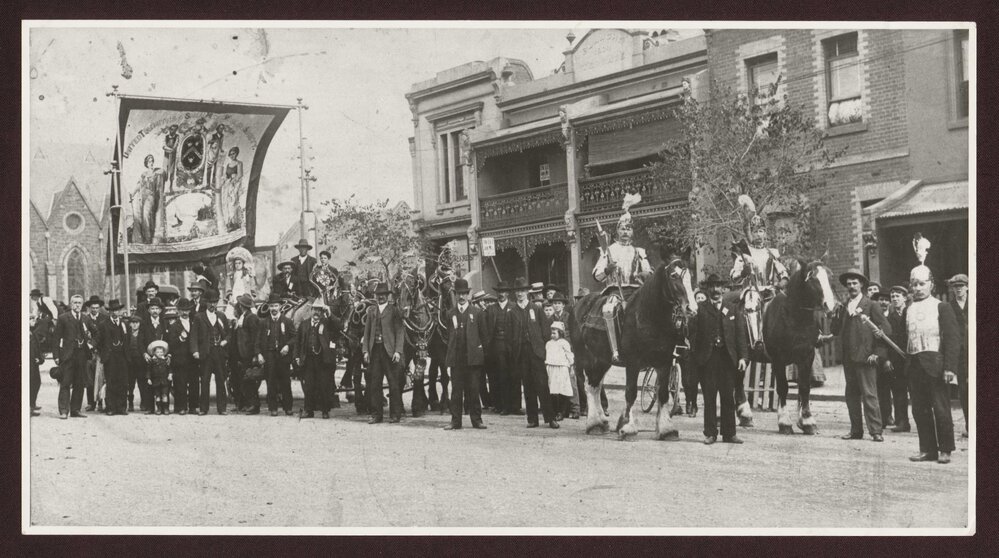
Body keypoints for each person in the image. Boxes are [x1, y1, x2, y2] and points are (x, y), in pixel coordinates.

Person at [907, 264, 960, 464]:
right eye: (915, 284)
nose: (918, 288)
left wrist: (950, 368)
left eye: (922, 284)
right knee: (919, 409)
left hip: (936, 365)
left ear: (931, 285)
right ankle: (927, 449)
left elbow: (953, 339)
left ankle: (945, 449)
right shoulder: (909, 308)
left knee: (940, 408)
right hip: (914, 365)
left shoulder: (941, 306)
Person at [831, 268, 891, 442]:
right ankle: (856, 430)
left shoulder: (871, 305)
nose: (851, 287)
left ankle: (875, 431)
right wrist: (835, 314)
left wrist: (877, 353)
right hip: (849, 359)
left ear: (862, 284)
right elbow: (836, 330)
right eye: (848, 284)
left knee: (870, 395)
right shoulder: (843, 306)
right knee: (851, 396)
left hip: (866, 358)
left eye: (854, 283)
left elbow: (885, 330)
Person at [690, 274, 749, 445]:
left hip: (727, 359)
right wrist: (697, 356)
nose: (715, 290)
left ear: (723, 289)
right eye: (712, 286)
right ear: (707, 289)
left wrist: (743, 357)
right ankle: (710, 433)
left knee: (728, 397)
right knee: (709, 397)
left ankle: (730, 433)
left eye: (718, 287)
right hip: (708, 359)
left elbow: (740, 336)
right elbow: (693, 335)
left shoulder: (732, 309)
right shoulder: (700, 309)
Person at [593, 194, 652, 365]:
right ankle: (615, 350)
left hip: (636, 291)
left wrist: (644, 274)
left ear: (633, 232)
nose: (625, 232)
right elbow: (597, 274)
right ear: (617, 231)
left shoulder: (639, 251)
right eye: (622, 229)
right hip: (615, 291)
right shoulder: (609, 250)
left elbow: (648, 271)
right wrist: (607, 269)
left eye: (629, 229)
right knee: (609, 309)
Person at [508, 277, 558, 429]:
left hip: (536, 352)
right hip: (521, 353)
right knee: (528, 386)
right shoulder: (512, 312)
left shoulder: (536, 309)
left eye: (523, 291)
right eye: (518, 291)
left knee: (542, 385)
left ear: (528, 292)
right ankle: (532, 419)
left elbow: (544, 331)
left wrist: (542, 350)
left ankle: (550, 418)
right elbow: (510, 336)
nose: (520, 294)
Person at [442, 279, 488, 430]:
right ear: (455, 295)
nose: (461, 297)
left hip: (473, 359)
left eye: (463, 294)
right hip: (457, 359)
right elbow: (449, 335)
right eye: (458, 294)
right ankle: (456, 421)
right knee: (456, 392)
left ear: (468, 295)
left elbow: (484, 335)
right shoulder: (450, 314)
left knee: (474, 390)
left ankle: (477, 420)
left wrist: (480, 353)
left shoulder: (477, 313)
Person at [362, 282, 406, 424]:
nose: (380, 298)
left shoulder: (394, 311)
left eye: (383, 295)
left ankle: (395, 414)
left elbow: (400, 331)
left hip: (389, 352)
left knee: (393, 384)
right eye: (378, 295)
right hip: (375, 351)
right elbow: (367, 332)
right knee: (375, 384)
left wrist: (398, 351)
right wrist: (365, 351)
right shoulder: (371, 311)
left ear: (387, 296)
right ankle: (376, 414)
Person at [296, 301, 341, 419]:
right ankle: (308, 410)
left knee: (323, 385)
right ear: (311, 310)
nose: (317, 312)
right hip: (308, 359)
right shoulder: (304, 324)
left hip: (322, 360)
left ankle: (325, 411)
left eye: (319, 310)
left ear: (322, 312)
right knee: (309, 386)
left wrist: (329, 313)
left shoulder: (327, 323)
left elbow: (339, 326)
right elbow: (298, 342)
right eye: (315, 309)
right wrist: (297, 356)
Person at [191, 295, 231, 415]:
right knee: (204, 380)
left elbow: (229, 333)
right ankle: (204, 408)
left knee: (220, 379)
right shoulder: (199, 317)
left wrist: (225, 341)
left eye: (215, 302)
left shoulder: (221, 316)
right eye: (210, 302)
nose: (213, 305)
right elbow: (193, 335)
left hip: (219, 352)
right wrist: (195, 351)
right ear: (206, 303)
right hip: (205, 353)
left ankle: (222, 408)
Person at [257, 294, 296, 416]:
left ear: (280, 306)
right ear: (268, 307)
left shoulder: (287, 321)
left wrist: (288, 346)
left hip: (283, 356)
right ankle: (273, 408)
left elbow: (295, 337)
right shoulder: (264, 323)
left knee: (285, 382)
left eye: (276, 305)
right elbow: (257, 341)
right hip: (269, 356)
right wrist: (259, 354)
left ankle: (288, 407)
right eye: (271, 306)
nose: (274, 308)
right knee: (271, 382)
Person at [53, 294, 90, 419]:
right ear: (70, 304)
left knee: (80, 382)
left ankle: (75, 409)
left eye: (80, 303)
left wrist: (91, 345)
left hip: (82, 354)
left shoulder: (85, 318)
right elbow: (56, 338)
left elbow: (96, 333)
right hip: (68, 355)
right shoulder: (63, 318)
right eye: (75, 303)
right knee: (65, 382)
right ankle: (64, 410)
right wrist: (56, 355)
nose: (77, 305)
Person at [484, 281, 515, 415]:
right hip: (494, 346)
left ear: (507, 293)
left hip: (510, 345)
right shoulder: (491, 309)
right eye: (499, 292)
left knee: (509, 376)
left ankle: (511, 405)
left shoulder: (513, 307)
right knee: (495, 376)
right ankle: (498, 404)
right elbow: (485, 328)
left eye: (503, 292)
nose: (501, 294)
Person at [96, 299, 130, 415]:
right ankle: (110, 407)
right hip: (110, 358)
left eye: (117, 310)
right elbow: (99, 341)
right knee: (111, 381)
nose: (115, 313)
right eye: (113, 311)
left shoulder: (125, 324)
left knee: (123, 382)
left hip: (122, 357)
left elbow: (128, 340)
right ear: (110, 312)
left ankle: (121, 407)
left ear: (120, 311)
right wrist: (104, 354)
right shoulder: (103, 325)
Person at [228, 294, 260, 413]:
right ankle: (245, 403)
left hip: (247, 354)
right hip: (241, 354)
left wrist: (254, 354)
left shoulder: (251, 318)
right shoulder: (243, 317)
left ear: (241, 306)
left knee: (249, 379)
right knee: (242, 379)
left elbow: (255, 337)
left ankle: (254, 405)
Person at [550, 292, 579, 419]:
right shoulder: (550, 318)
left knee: (571, 380)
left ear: (563, 305)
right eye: (554, 303)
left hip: (568, 352)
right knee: (558, 382)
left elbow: (573, 334)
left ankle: (575, 408)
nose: (556, 306)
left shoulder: (568, 317)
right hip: (555, 354)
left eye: (559, 303)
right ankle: (561, 410)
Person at [946, 274, 969, 438]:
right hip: (960, 355)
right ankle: (970, 425)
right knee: (964, 390)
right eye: (955, 286)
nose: (959, 288)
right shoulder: (949, 307)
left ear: (967, 286)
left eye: (961, 285)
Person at [885, 285, 910, 432]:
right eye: (892, 296)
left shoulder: (912, 313)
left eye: (898, 296)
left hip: (912, 358)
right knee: (899, 392)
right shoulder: (889, 318)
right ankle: (902, 422)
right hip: (897, 360)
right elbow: (885, 341)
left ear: (905, 298)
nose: (894, 299)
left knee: (918, 392)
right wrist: (887, 359)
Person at [167, 298, 198, 415]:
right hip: (179, 359)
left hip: (193, 359)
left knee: (194, 383)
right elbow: (171, 343)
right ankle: (181, 407)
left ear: (190, 311)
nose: (185, 313)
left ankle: (193, 407)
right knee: (180, 384)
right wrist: (180, 338)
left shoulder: (194, 323)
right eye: (182, 310)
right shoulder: (174, 326)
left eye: (187, 310)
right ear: (178, 311)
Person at [139, 297, 168, 414]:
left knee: (164, 382)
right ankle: (150, 407)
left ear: (160, 310)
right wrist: (144, 353)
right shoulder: (144, 323)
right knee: (149, 382)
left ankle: (164, 407)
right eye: (152, 308)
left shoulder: (164, 323)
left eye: (157, 308)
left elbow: (168, 339)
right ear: (149, 310)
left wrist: (168, 355)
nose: (155, 311)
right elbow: (140, 341)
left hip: (162, 357)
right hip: (149, 358)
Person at [872, 291, 896, 428]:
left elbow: (892, 339)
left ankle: (892, 416)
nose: (884, 302)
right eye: (881, 299)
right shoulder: (874, 317)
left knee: (891, 389)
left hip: (890, 358)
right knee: (880, 389)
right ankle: (882, 416)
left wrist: (888, 359)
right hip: (877, 358)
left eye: (887, 300)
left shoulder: (892, 317)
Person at [82, 295, 108, 413]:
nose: (95, 310)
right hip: (88, 353)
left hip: (101, 352)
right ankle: (91, 403)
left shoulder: (104, 318)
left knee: (101, 378)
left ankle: (102, 401)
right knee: (89, 378)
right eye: (92, 308)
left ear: (100, 308)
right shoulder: (84, 319)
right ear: (89, 308)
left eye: (97, 308)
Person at [545, 321, 575, 422]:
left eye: (555, 333)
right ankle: (555, 411)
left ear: (560, 333)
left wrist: (571, 365)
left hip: (561, 368)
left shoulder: (564, 343)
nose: (552, 335)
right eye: (551, 333)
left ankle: (562, 412)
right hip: (551, 368)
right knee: (553, 390)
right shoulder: (548, 343)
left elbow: (569, 354)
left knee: (563, 389)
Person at [219, 146, 244, 231]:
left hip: (234, 186)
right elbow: (226, 174)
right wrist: (223, 180)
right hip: (228, 186)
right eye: (230, 154)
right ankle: (228, 222)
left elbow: (240, 174)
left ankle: (234, 222)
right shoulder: (228, 165)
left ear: (237, 154)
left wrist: (233, 181)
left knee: (233, 204)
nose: (232, 155)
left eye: (234, 154)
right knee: (226, 204)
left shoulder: (239, 163)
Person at [125, 314, 145, 412]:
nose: (134, 325)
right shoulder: (127, 334)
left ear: (140, 324)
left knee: (142, 382)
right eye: (132, 323)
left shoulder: (143, 334)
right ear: (130, 324)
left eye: (136, 323)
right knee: (130, 384)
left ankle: (143, 402)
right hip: (130, 362)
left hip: (141, 362)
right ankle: (130, 403)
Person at [147, 340, 172, 415]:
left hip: (164, 381)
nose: (160, 353)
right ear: (154, 353)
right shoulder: (152, 361)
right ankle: (159, 408)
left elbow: (170, 368)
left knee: (165, 394)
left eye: (161, 352)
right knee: (157, 395)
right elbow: (149, 370)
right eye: (158, 352)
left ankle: (166, 408)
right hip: (156, 381)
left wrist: (170, 374)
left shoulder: (166, 360)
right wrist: (148, 378)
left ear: (164, 352)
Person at [28, 312, 43, 416]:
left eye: (34, 318)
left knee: (36, 382)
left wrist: (40, 358)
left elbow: (37, 348)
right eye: (31, 318)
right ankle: (28, 407)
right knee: (30, 383)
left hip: (34, 363)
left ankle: (32, 404)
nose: (34, 320)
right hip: (28, 363)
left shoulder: (32, 332)